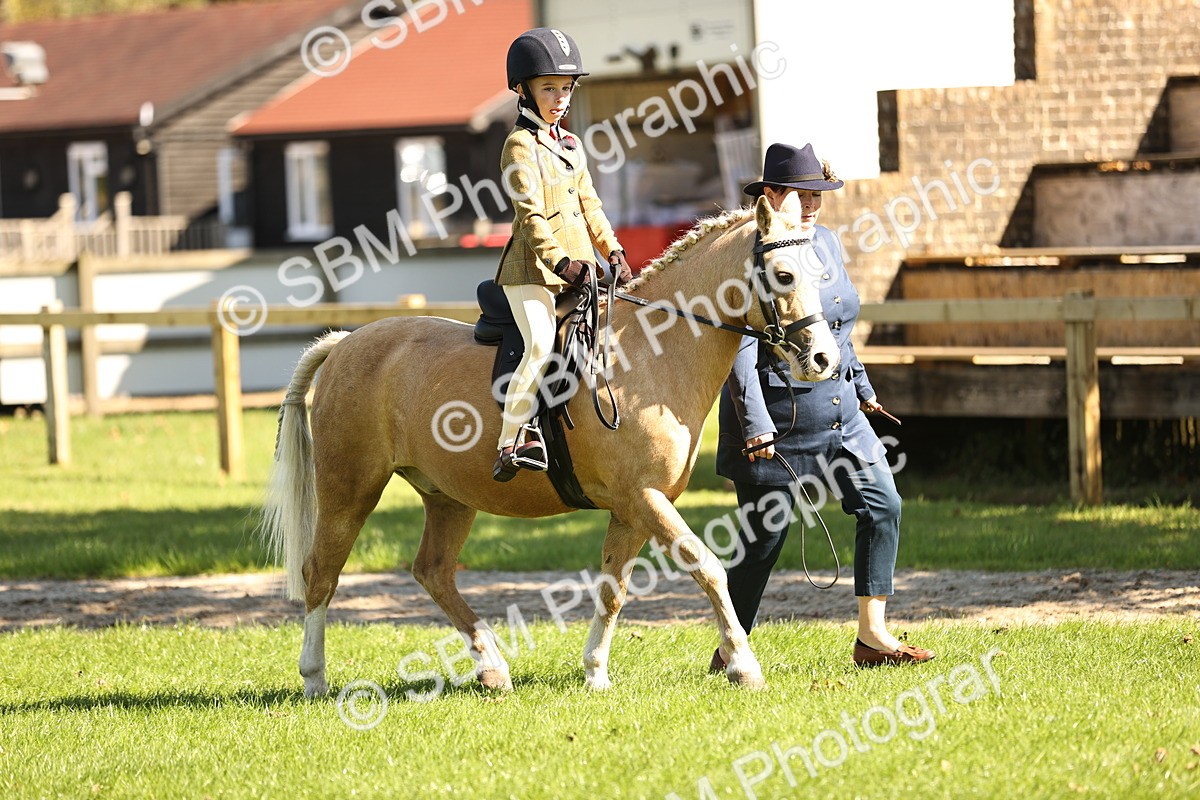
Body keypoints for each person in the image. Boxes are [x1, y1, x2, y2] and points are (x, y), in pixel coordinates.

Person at [713, 142, 935, 668]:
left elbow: (834, 325)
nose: (812, 205)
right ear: (770, 196)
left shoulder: (829, 243)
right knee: (765, 538)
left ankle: (873, 637)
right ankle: (732, 646)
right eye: (800, 194)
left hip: (841, 412)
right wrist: (755, 421)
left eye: (818, 195)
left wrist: (862, 387)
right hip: (777, 418)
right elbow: (739, 341)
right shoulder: (750, 250)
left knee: (884, 504)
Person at [492, 27, 632, 482]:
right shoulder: (519, 145)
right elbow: (530, 216)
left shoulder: (571, 145)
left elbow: (590, 206)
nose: (559, 98)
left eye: (566, 88)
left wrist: (614, 252)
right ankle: (511, 439)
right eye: (548, 88)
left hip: (579, 272)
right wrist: (561, 263)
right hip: (532, 270)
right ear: (523, 89)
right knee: (539, 343)